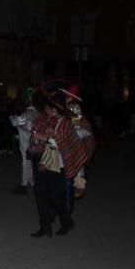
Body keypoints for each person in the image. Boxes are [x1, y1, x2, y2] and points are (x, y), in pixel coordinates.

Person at [29, 90, 85, 238]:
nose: (49, 110)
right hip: (45, 162)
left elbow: (69, 146)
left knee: (56, 198)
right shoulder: (47, 121)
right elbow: (38, 138)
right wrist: (37, 139)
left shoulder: (67, 124)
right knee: (40, 194)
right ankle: (45, 226)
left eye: (52, 107)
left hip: (60, 165)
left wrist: (49, 139)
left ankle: (66, 222)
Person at [9, 90, 39, 194]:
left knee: (26, 162)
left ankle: (24, 184)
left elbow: (16, 121)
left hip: (27, 142)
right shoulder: (35, 112)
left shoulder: (29, 113)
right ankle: (31, 182)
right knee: (29, 162)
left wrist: (12, 117)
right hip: (31, 141)